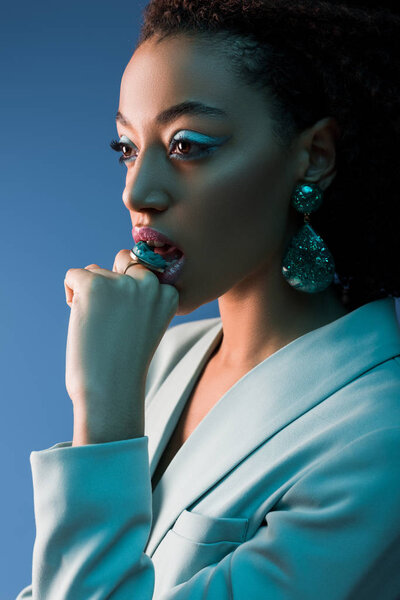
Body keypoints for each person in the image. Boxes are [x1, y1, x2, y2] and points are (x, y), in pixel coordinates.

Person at [16, 0, 400, 598]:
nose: (136, 193)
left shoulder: (380, 440)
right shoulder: (162, 357)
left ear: (314, 156)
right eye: (127, 147)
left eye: (187, 145)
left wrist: (104, 418)